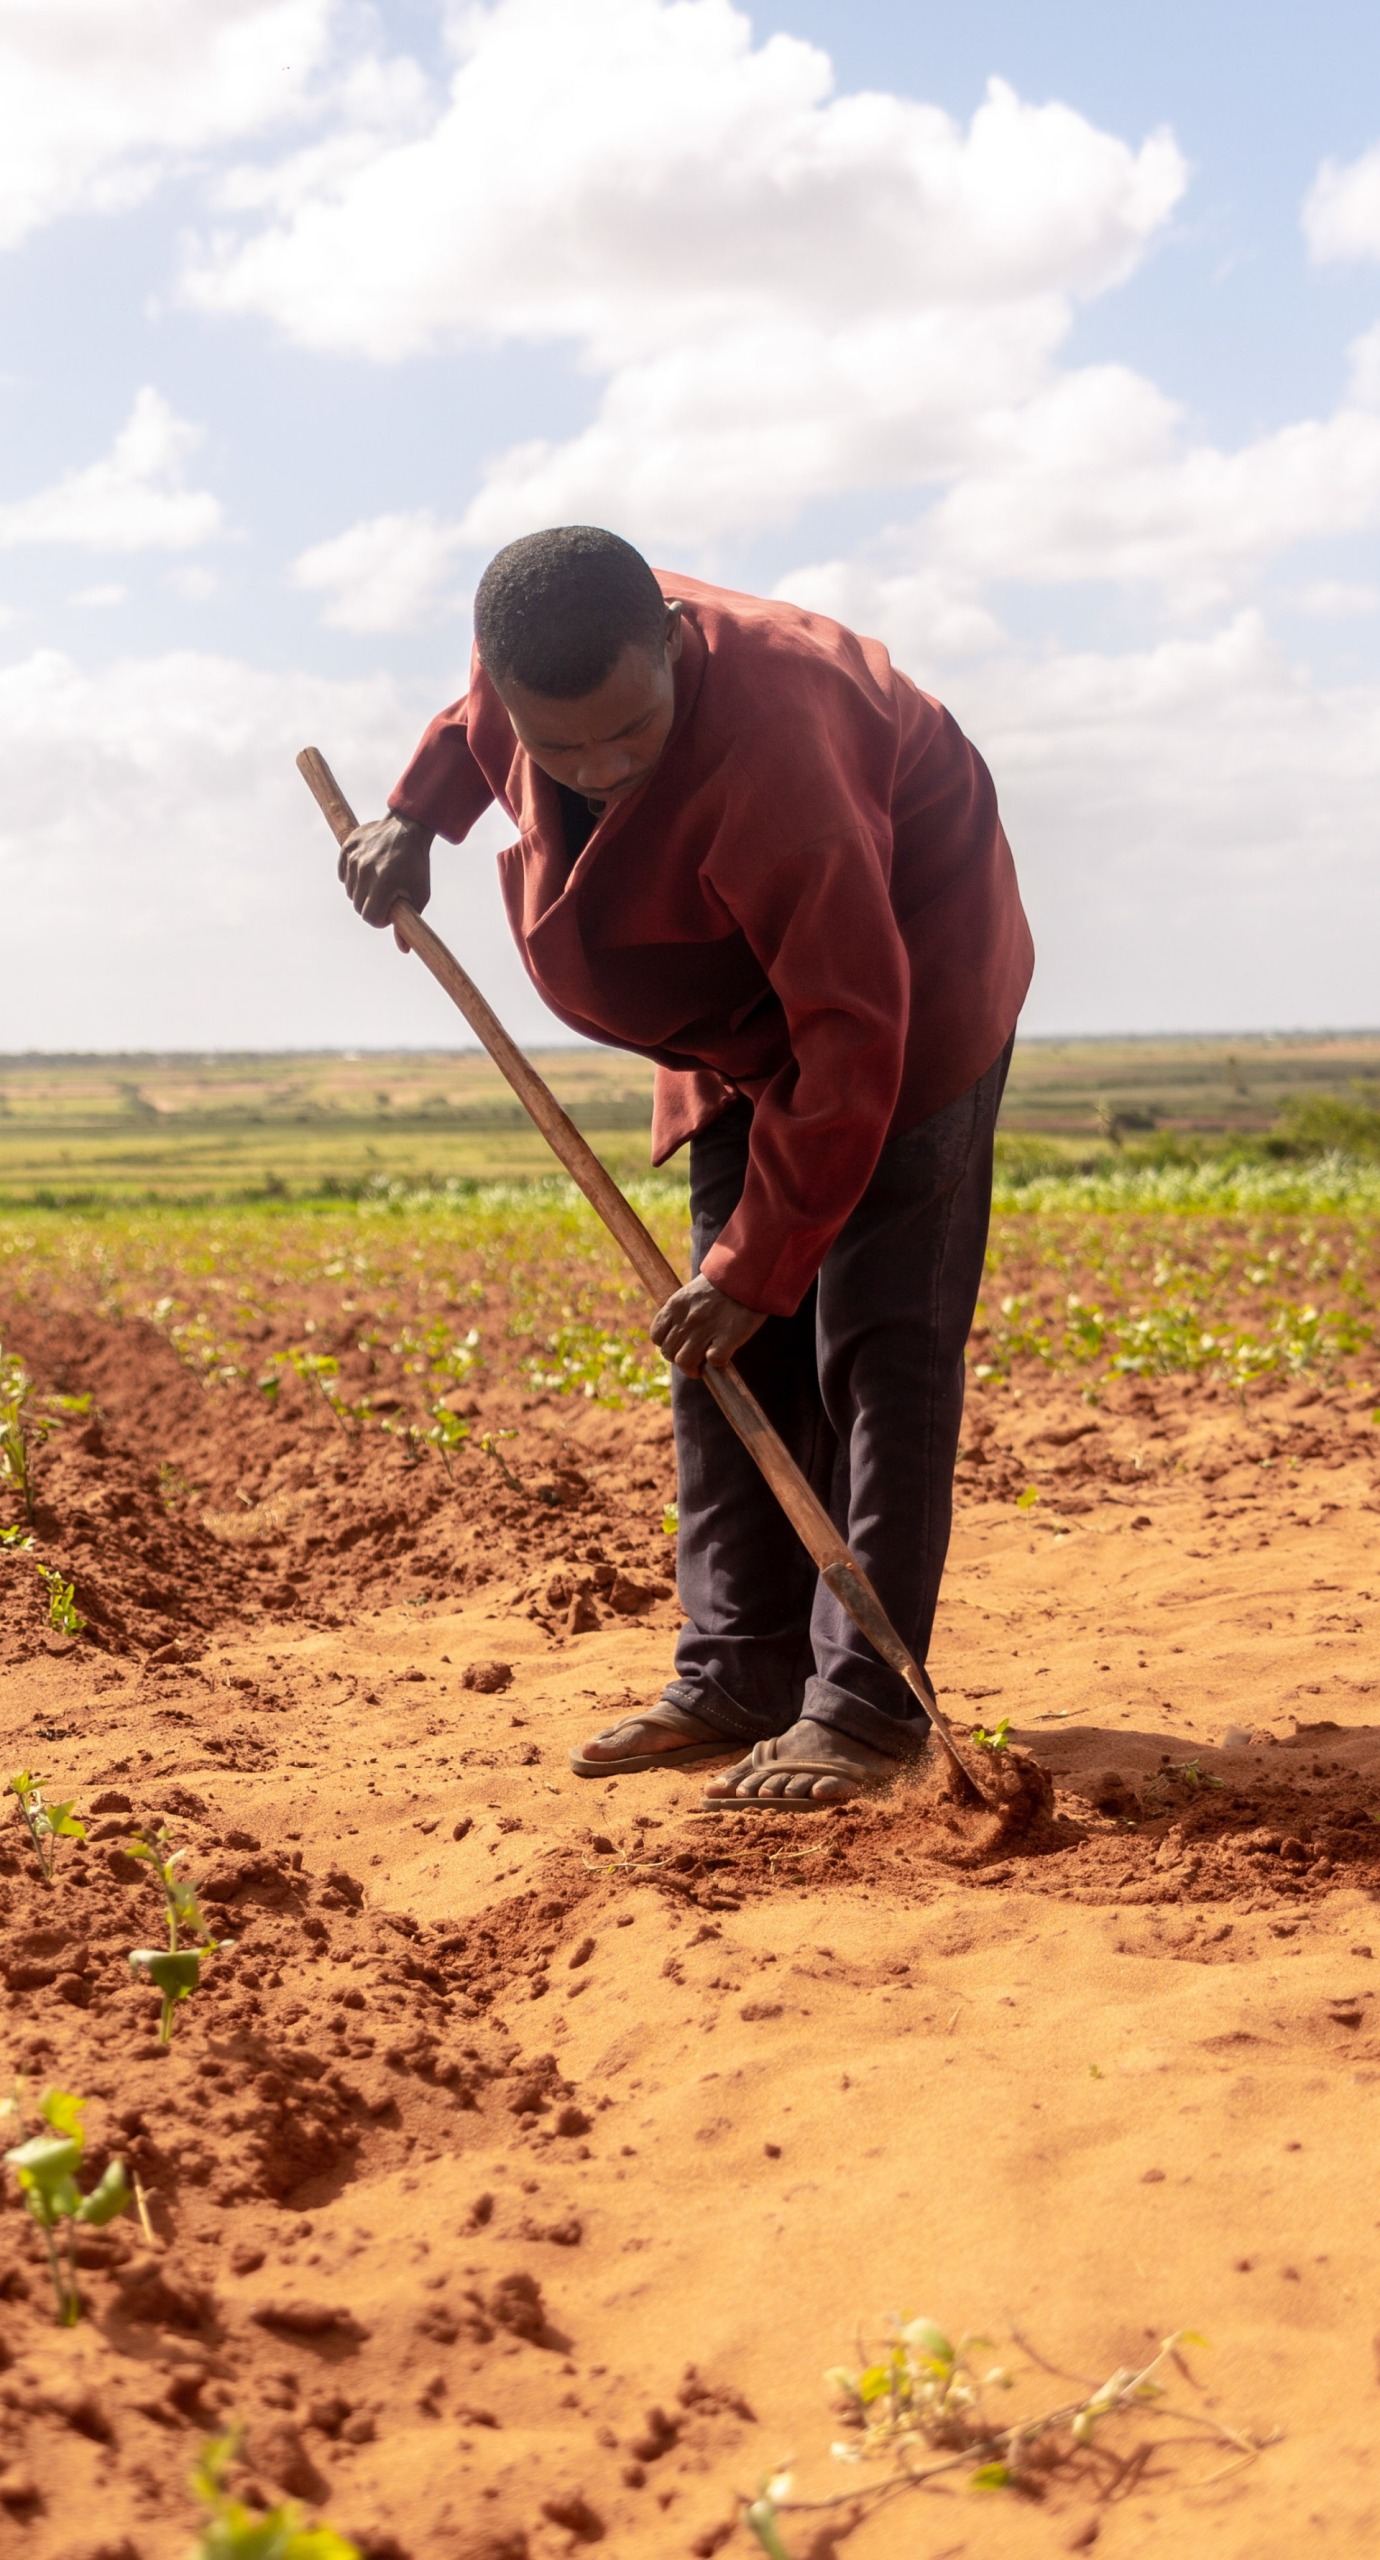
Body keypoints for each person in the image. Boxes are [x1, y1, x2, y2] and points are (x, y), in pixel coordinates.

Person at [338, 526, 1033, 1810]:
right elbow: (471, 724)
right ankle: (739, 1670)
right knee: (717, 1347)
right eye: (563, 751)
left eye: (629, 734)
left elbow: (852, 1036)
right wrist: (413, 818)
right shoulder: (528, 664)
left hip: (905, 987)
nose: (601, 770)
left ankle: (866, 1709)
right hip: (727, 1013)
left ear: (668, 641)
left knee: (877, 1346)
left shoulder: (785, 751)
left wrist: (761, 1267)